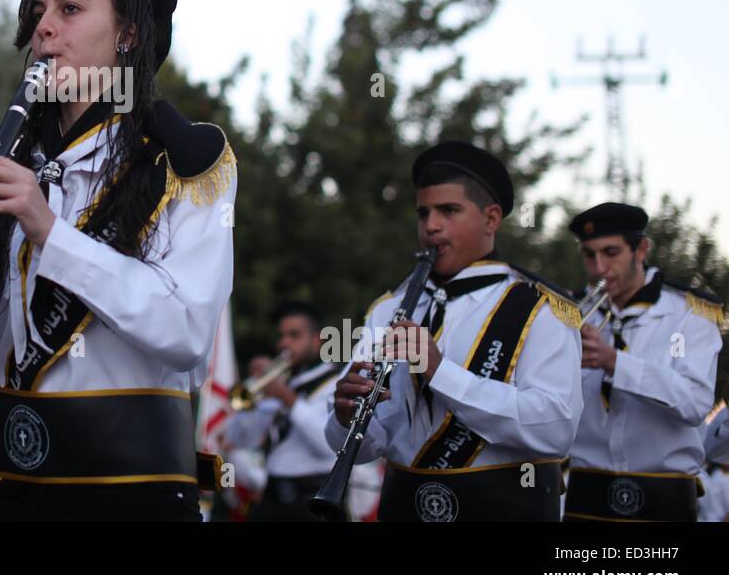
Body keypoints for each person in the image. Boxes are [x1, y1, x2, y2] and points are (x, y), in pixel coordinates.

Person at [0, 0, 237, 521]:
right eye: (38, 12)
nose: (45, 29)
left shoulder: (185, 163)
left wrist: (50, 231)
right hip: (3, 481)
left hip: (128, 488)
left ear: (128, 36)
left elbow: (184, 330)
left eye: (71, 8)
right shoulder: (3, 165)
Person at [325, 141, 583, 521]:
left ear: (491, 219)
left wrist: (440, 372)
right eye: (423, 213)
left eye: (449, 211)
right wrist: (344, 418)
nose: (431, 226)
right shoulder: (388, 309)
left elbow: (555, 429)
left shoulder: (540, 307)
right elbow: (374, 443)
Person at [562, 202, 726, 521]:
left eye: (611, 253)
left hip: (665, 497)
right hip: (584, 494)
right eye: (590, 255)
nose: (599, 269)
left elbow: (694, 404)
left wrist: (615, 363)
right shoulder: (570, 312)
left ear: (641, 249)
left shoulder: (691, 313)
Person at [226, 302, 338, 520]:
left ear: (317, 341)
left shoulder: (336, 383)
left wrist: (289, 400)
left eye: (294, 335)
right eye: (282, 335)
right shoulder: (278, 384)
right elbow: (237, 439)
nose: (284, 343)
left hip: (313, 500)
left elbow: (329, 446)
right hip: (272, 496)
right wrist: (253, 398)